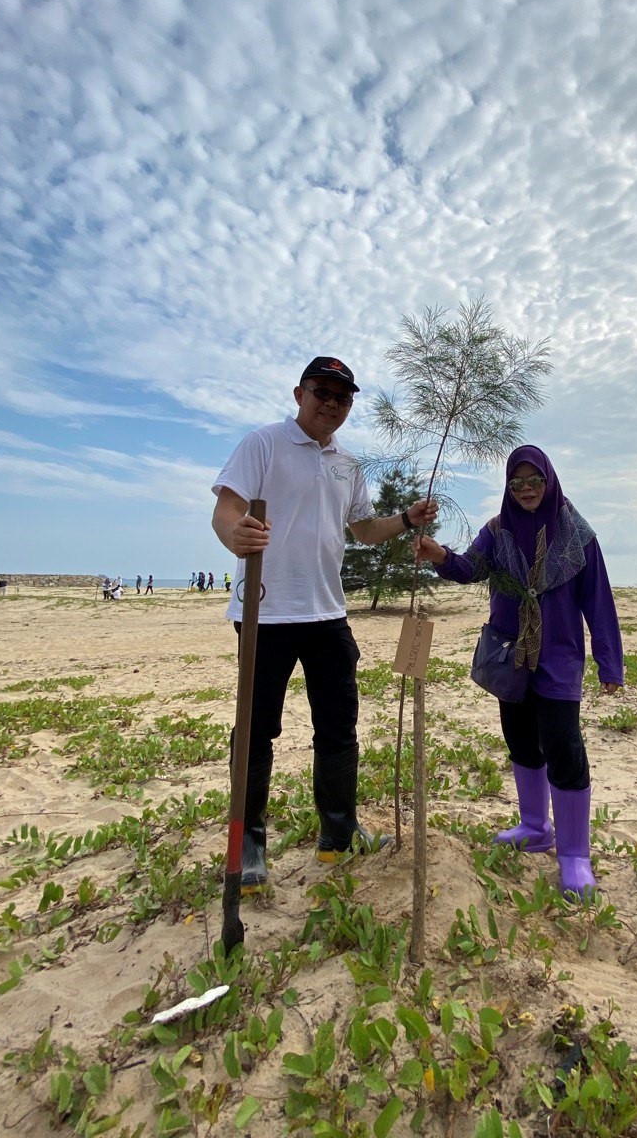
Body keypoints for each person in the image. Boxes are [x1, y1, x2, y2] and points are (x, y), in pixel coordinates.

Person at [211, 356, 438, 886]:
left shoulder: (348, 465)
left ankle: (338, 836)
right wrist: (234, 535)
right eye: (323, 393)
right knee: (255, 731)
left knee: (338, 728)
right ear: (299, 394)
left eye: (343, 397)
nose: (332, 404)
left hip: (327, 614)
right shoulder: (262, 443)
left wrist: (405, 520)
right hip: (263, 611)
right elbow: (227, 509)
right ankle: (247, 845)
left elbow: (362, 530)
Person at [414, 445, 623, 899]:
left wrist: (611, 663)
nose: (527, 489)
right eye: (517, 482)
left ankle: (574, 855)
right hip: (511, 658)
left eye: (535, 481)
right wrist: (437, 553)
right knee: (522, 741)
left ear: (549, 482)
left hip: (560, 659)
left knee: (564, 749)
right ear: (508, 487)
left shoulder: (578, 536)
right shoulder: (497, 530)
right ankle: (534, 826)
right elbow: (469, 569)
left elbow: (598, 602)